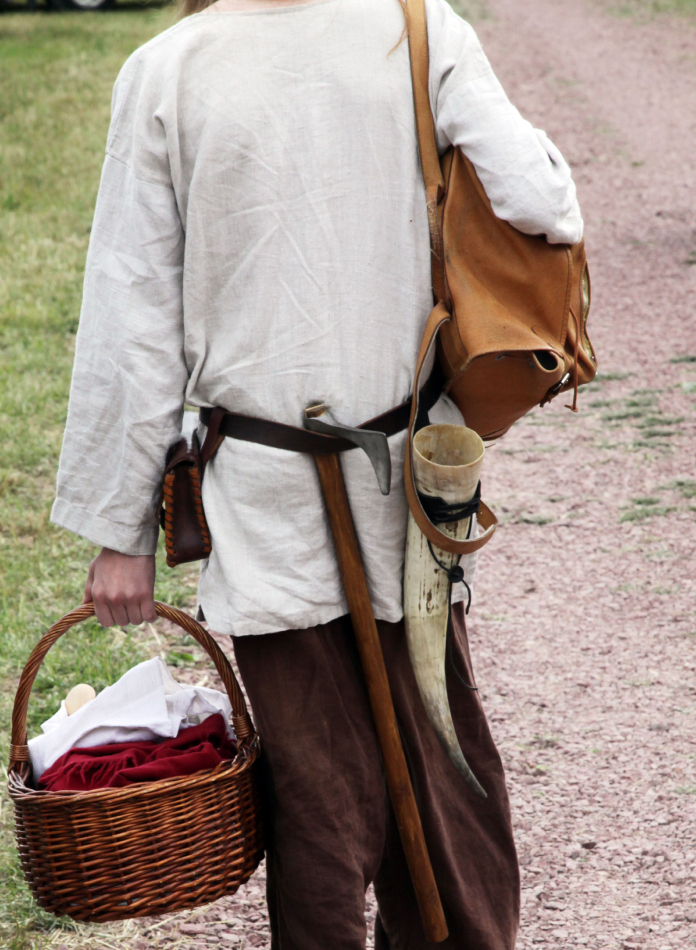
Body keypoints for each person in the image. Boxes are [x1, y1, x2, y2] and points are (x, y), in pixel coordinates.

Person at [52, 0, 583, 946]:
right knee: (438, 783)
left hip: (266, 491)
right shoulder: (420, 30)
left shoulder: (168, 68)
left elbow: (130, 319)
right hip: (403, 482)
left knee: (321, 806)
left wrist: (120, 534)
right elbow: (546, 207)